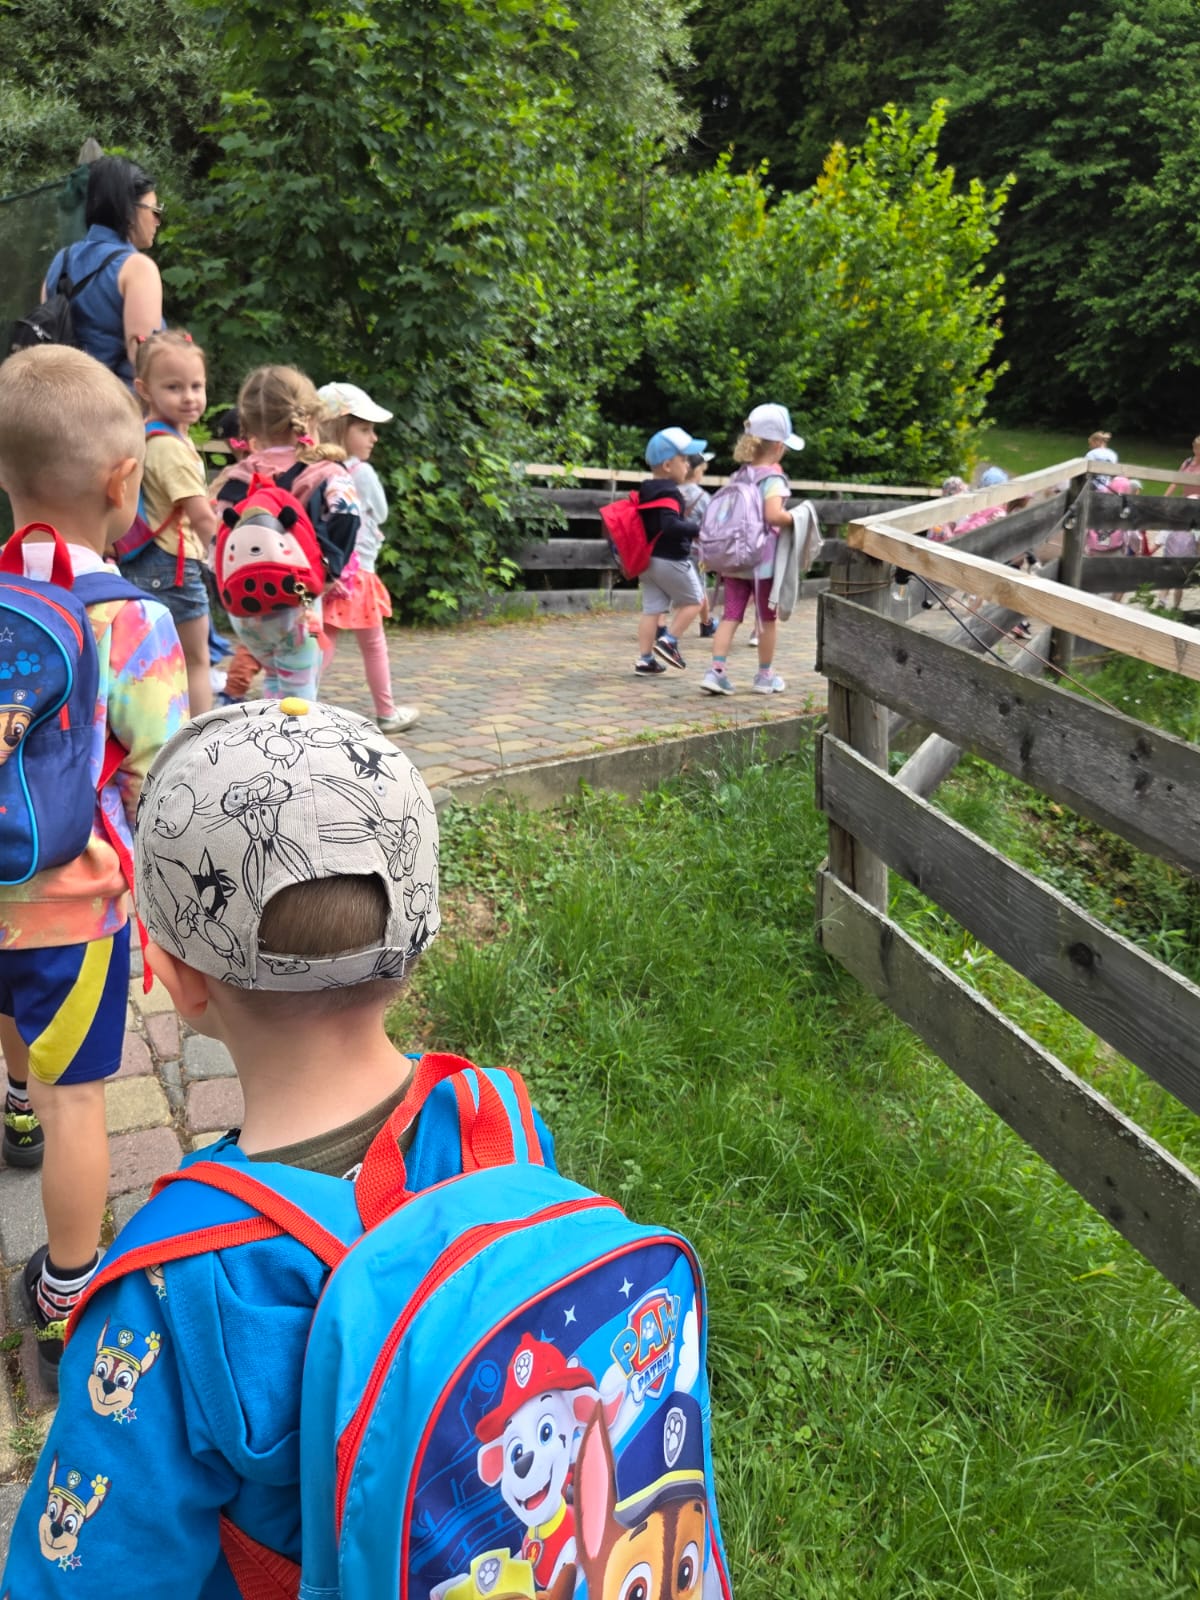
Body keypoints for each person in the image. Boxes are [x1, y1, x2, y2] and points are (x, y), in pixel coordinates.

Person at [0, 698, 495, 1594]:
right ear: (421, 936)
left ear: (175, 980)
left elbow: (89, 1571)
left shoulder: (176, 1285)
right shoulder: (494, 1119)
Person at [0, 346, 187, 1388]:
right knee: (82, 1101)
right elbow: (160, 759)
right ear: (124, 480)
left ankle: (12, 1099)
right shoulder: (135, 617)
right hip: (75, 904)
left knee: (9, 1010)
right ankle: (67, 1291)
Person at [210, 365, 361, 702]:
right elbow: (348, 515)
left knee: (276, 683)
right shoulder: (322, 472)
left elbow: (215, 542)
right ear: (310, 418)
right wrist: (329, 570)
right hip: (296, 606)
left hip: (245, 613)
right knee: (298, 699)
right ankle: (290, 739)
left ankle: (269, 734)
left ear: (247, 424)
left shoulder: (234, 478)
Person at [118, 330, 218, 716]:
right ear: (144, 389)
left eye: (196, 386)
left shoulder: (145, 438)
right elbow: (201, 517)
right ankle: (201, 738)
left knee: (155, 663)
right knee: (196, 660)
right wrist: (224, 561)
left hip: (142, 562)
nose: (189, 397)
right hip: (174, 564)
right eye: (174, 387)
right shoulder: (170, 447)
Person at [316, 381, 420, 734]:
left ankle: (299, 701)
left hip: (330, 571)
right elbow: (382, 512)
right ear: (337, 429)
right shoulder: (361, 473)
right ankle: (387, 713)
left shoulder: (317, 470)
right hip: (359, 572)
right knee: (374, 645)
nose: (373, 437)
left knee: (323, 641)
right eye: (364, 429)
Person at [701, 402, 802, 696]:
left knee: (731, 615)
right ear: (779, 447)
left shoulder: (739, 476)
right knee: (766, 619)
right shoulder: (773, 479)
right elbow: (773, 516)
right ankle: (765, 676)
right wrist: (795, 518)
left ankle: (716, 671)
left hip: (734, 560)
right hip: (762, 563)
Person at [42, 156, 164, 387]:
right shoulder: (137, 268)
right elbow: (144, 362)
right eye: (155, 210)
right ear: (129, 211)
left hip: (60, 398)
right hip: (116, 403)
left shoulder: (60, 261)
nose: (157, 221)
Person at [633, 427, 707, 675]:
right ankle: (669, 641)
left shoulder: (647, 490)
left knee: (651, 610)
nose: (688, 464)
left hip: (648, 560)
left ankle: (645, 660)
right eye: (683, 459)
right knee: (695, 600)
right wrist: (698, 530)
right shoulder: (670, 492)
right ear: (667, 465)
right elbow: (670, 525)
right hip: (670, 558)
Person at [679, 451, 717, 638]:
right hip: (695, 551)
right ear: (696, 471)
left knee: (664, 590)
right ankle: (706, 623)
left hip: (671, 549)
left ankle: (659, 626)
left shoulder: (672, 491)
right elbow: (710, 527)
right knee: (699, 587)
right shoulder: (703, 497)